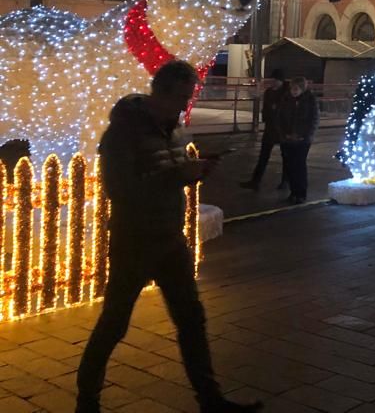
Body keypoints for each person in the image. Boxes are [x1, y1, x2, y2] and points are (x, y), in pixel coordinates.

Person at [76, 61, 261, 413]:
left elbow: (169, 173)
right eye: (182, 97)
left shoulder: (172, 129)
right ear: (160, 92)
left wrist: (194, 172)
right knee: (114, 324)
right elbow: (120, 189)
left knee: (192, 318)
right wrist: (179, 175)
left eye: (189, 98)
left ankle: (211, 400)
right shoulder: (123, 132)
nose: (185, 105)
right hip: (135, 241)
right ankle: (87, 402)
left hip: (169, 240)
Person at [239, 69, 287, 191]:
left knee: (285, 156)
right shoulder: (270, 92)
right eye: (273, 80)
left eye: (275, 80)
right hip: (271, 127)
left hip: (282, 128)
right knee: (263, 156)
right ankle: (256, 181)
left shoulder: (285, 93)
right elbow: (266, 107)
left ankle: (285, 181)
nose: (273, 82)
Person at [278, 75, 319, 204]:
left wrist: (305, 135)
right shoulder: (286, 99)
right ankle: (293, 192)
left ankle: (301, 193)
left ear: (302, 88)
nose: (293, 91)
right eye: (292, 89)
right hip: (288, 138)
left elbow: (313, 120)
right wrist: (284, 134)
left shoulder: (310, 100)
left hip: (302, 140)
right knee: (290, 166)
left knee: (299, 165)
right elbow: (279, 118)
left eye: (296, 89)